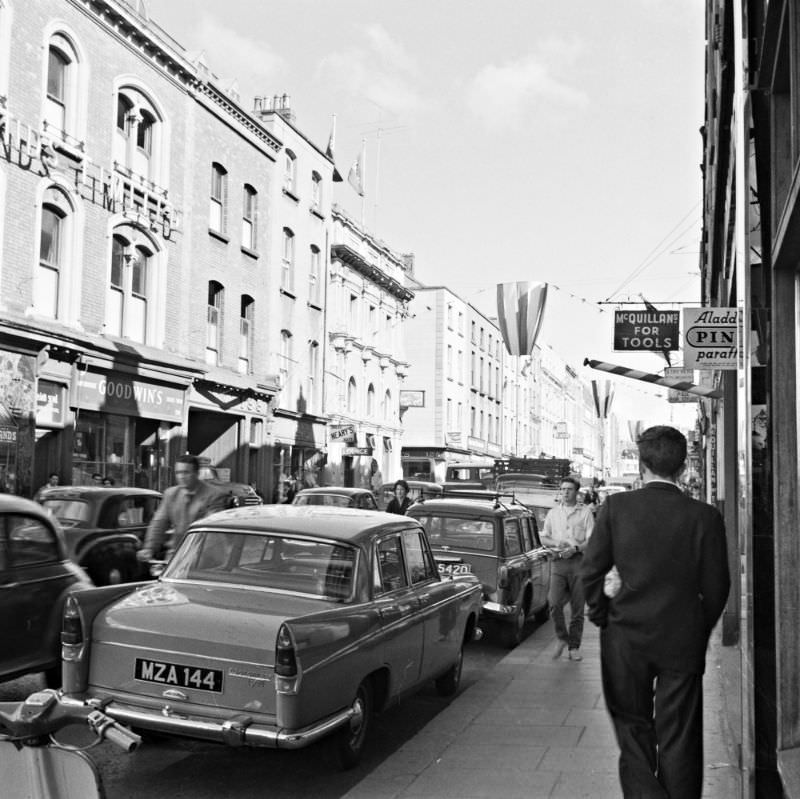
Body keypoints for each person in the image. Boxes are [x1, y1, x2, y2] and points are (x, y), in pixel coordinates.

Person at [580, 425, 730, 798]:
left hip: (625, 637)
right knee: (679, 733)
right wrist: (699, 626)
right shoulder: (705, 516)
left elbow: (591, 571)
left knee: (632, 728)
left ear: (642, 464)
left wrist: (602, 615)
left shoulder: (616, 508)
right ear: (682, 468)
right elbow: (717, 587)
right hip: (681, 637)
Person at [137, 454, 229, 562]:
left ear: (197, 473)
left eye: (186, 472)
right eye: (178, 473)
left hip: (206, 555)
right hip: (177, 554)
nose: (181, 477)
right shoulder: (170, 494)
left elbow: (210, 528)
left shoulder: (214, 495)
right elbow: (159, 523)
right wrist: (149, 548)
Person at [541, 475, 594, 661]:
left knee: (578, 608)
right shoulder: (553, 513)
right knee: (554, 603)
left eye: (569, 489)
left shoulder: (585, 512)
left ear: (576, 492)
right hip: (558, 562)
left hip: (579, 562)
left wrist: (576, 548)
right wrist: (557, 542)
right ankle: (562, 637)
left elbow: (591, 539)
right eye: (563, 489)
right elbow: (544, 537)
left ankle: (574, 646)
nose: (565, 492)